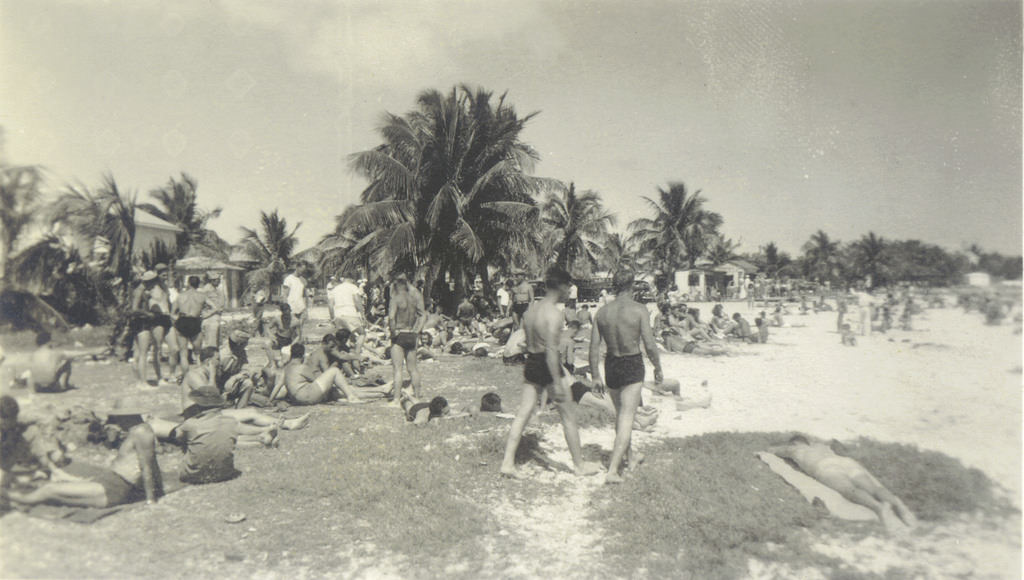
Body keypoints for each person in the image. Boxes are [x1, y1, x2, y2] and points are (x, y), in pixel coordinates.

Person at [500, 267, 599, 479]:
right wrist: (557, 381)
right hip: (547, 364)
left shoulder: (530, 311)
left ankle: (507, 463)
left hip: (532, 362)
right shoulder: (554, 314)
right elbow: (552, 351)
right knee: (568, 416)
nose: (569, 291)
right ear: (561, 286)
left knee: (523, 413)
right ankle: (579, 466)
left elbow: (527, 342)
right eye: (568, 287)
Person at [4, 399, 163, 508]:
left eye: (117, 416)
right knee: (53, 488)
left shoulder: (142, 432)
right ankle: (11, 493)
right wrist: (159, 489)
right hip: (111, 482)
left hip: (115, 489)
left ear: (126, 415)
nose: (116, 421)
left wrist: (151, 500)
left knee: (49, 490)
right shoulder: (135, 431)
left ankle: (11, 496)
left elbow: (147, 466)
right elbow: (151, 463)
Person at [589, 269, 664, 484]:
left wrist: (595, 375)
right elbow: (649, 344)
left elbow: (594, 347)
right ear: (632, 286)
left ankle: (631, 457)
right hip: (631, 363)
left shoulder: (602, 313)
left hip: (611, 365)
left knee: (621, 415)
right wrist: (658, 367)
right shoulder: (639, 310)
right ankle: (613, 470)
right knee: (626, 417)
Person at [770, 435, 917, 533]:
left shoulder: (794, 448)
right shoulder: (822, 446)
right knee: (874, 488)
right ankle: (898, 505)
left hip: (824, 466)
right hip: (845, 462)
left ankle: (879, 508)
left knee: (849, 490)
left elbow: (772, 450)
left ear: (794, 442)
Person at [269, 344, 388, 405]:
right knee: (335, 372)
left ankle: (381, 391)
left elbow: (278, 386)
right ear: (302, 355)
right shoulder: (301, 367)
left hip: (299, 399)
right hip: (308, 396)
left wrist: (270, 400)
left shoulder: (286, 368)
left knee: (340, 392)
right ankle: (352, 397)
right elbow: (316, 379)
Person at [389, 273, 427, 401]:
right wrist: (417, 331)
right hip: (411, 333)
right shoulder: (414, 297)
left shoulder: (396, 298)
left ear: (397, 285)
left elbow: (391, 317)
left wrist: (393, 332)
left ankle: (395, 399)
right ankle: (416, 395)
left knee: (398, 369)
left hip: (400, 333)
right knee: (413, 368)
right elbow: (422, 315)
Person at [130, 271, 170, 388]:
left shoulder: (143, 291)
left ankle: (139, 380)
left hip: (142, 321)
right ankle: (143, 382)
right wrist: (148, 314)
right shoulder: (139, 291)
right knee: (143, 353)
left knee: (139, 353)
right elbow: (134, 309)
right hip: (141, 322)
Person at [173, 275, 208, 379]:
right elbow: (215, 308)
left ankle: (186, 376)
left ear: (188, 283)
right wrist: (204, 316)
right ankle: (200, 375)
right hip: (195, 320)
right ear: (199, 284)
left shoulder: (180, 296)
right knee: (197, 353)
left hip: (183, 320)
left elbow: (172, 312)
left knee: (183, 352)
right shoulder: (202, 296)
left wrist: (176, 321)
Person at [329, 275, 367, 356]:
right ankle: (356, 355)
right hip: (350, 313)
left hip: (338, 314)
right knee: (362, 334)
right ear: (351, 279)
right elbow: (357, 301)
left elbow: (330, 305)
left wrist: (332, 318)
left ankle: (345, 355)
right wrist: (362, 315)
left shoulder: (335, 289)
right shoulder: (353, 287)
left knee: (346, 336)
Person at [281, 267, 307, 341]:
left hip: (301, 306)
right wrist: (285, 308)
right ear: (297, 267)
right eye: (302, 269)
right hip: (291, 306)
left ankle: (299, 342)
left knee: (300, 326)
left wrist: (305, 308)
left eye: (304, 271)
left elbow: (304, 295)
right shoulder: (288, 279)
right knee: (292, 326)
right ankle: (291, 342)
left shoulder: (303, 280)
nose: (303, 272)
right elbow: (285, 294)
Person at [200, 273, 225, 348]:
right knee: (211, 343)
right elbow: (202, 303)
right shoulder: (206, 290)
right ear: (212, 281)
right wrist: (214, 310)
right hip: (209, 317)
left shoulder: (216, 289)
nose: (219, 282)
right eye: (218, 280)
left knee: (217, 342)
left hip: (216, 316)